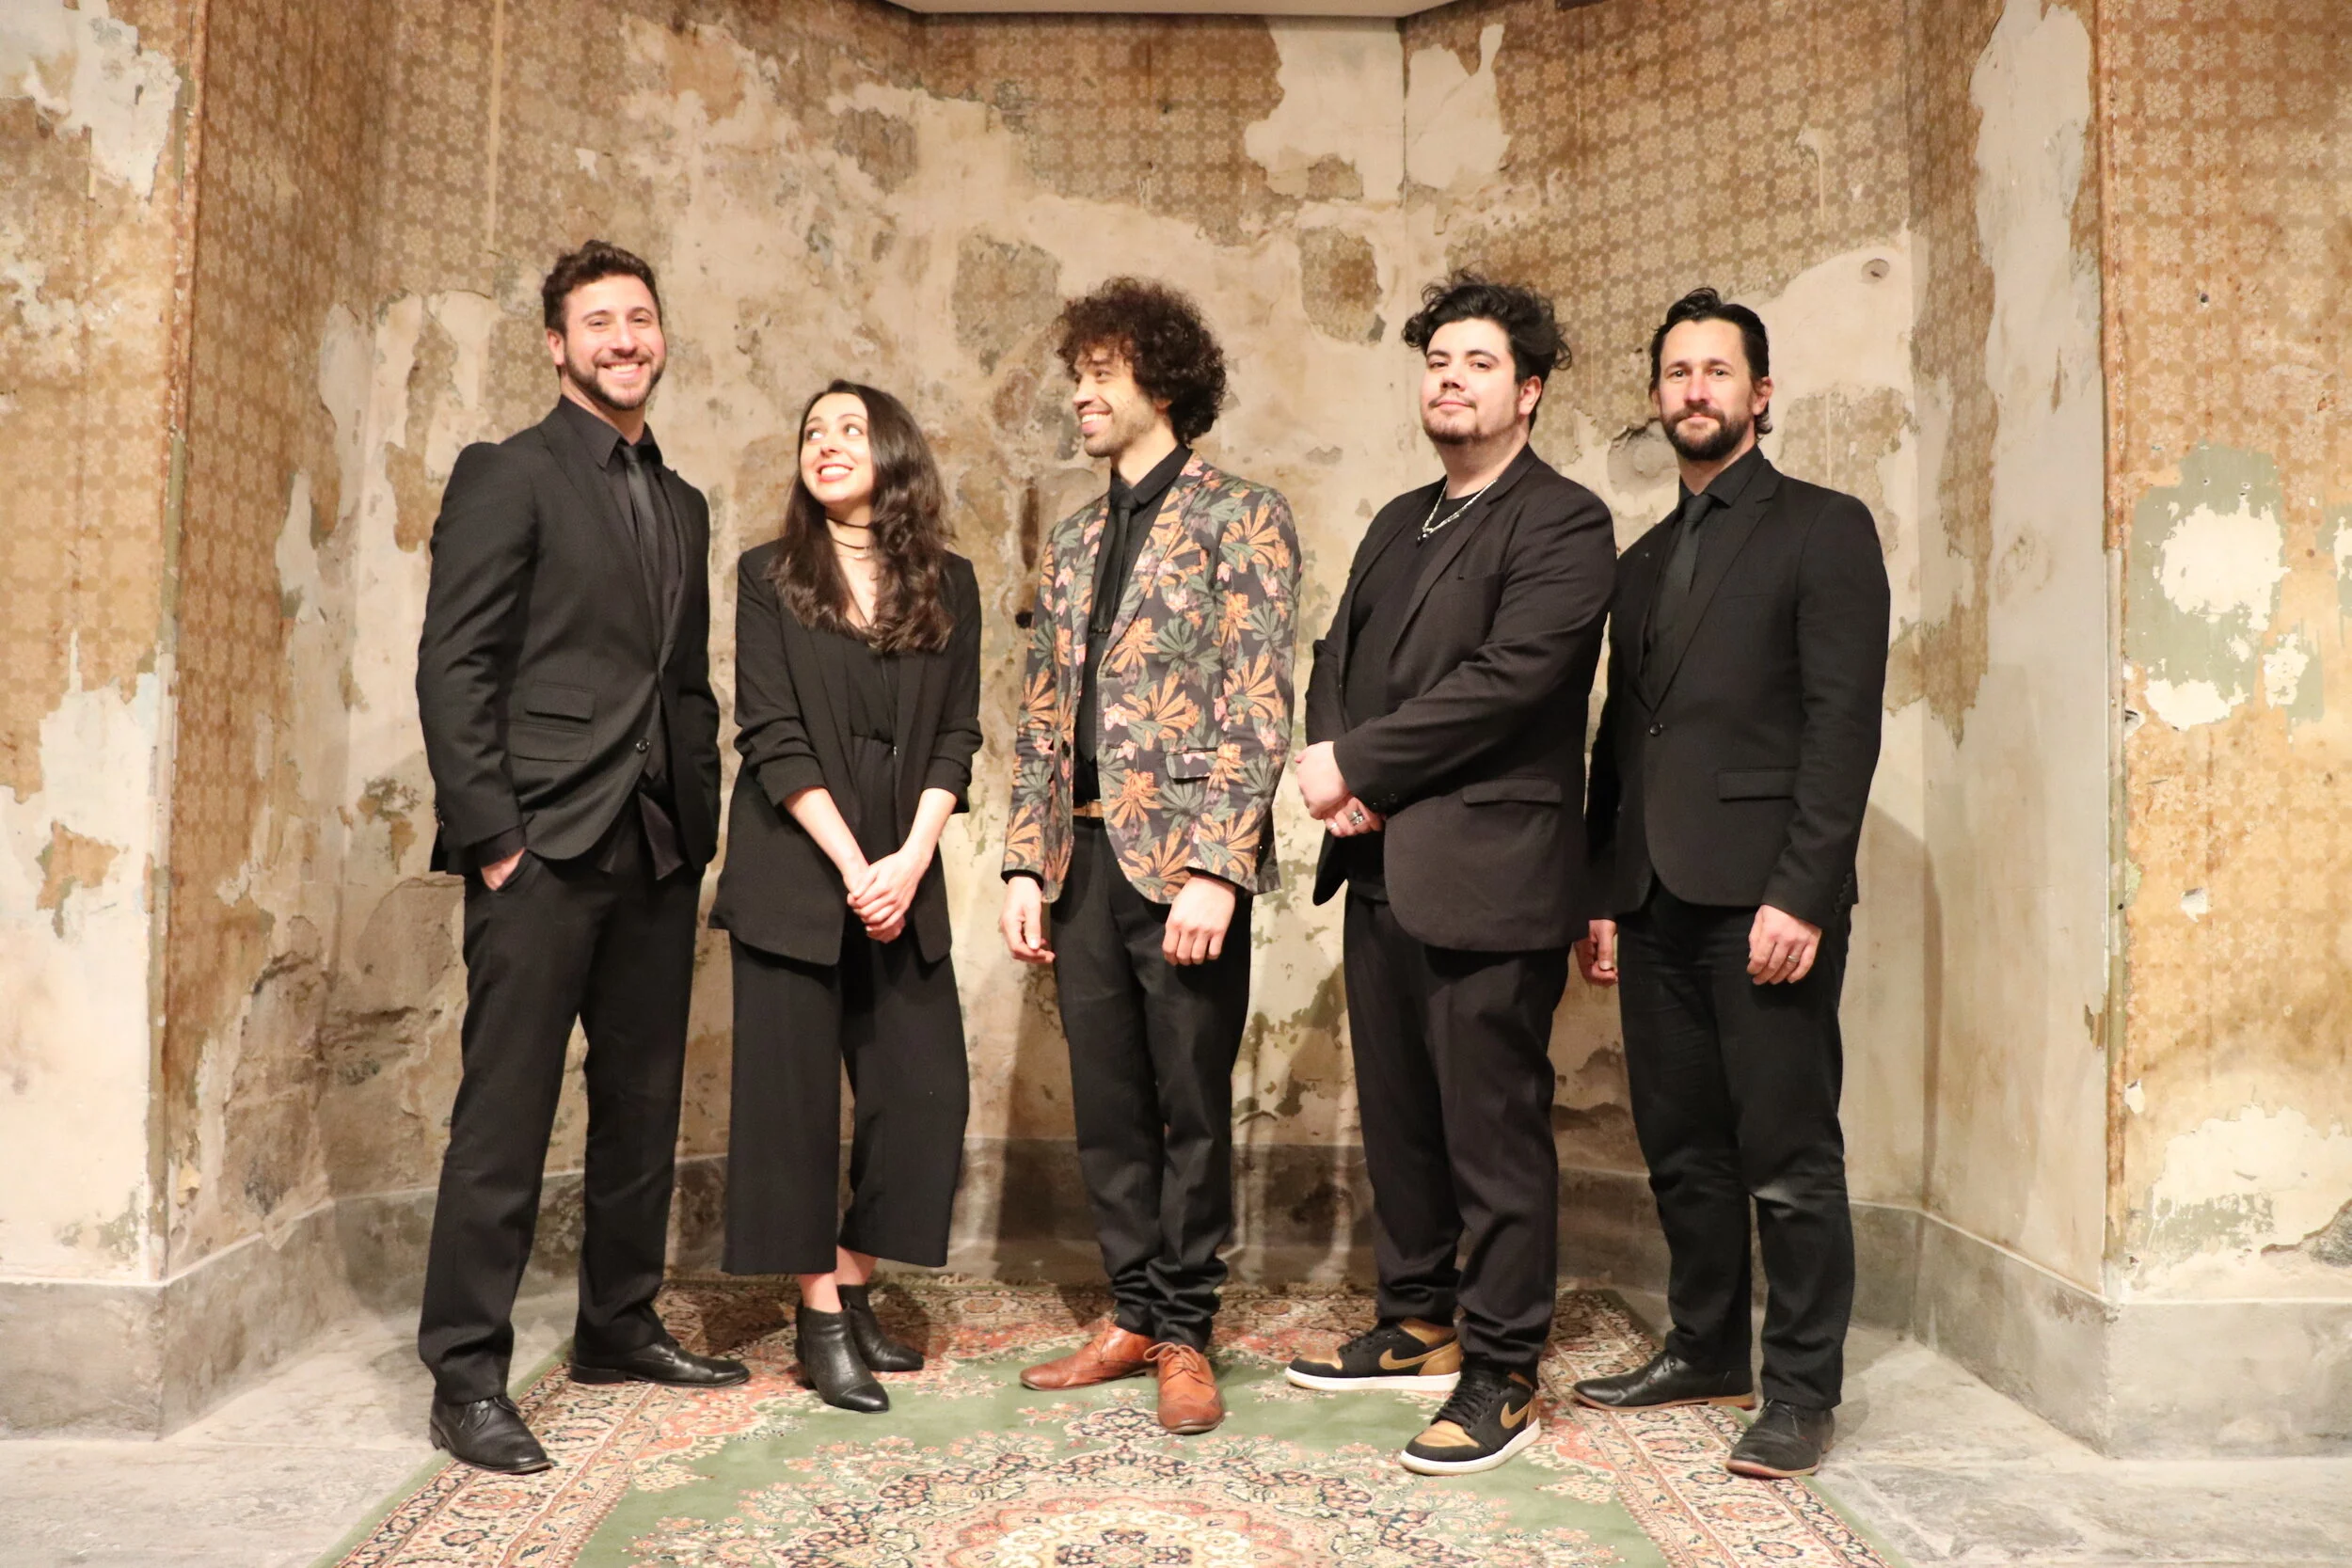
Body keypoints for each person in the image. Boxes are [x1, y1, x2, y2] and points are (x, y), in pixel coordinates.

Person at [414, 240, 746, 1476]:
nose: (624, 338)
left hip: (655, 848)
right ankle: (466, 1375)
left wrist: (697, 826)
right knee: (503, 1116)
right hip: (541, 846)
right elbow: (455, 663)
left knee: (642, 1106)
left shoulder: (682, 500)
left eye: (639, 317)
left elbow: (682, 683)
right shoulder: (508, 472)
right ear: (557, 345)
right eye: (598, 320)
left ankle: (618, 1322)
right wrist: (495, 838)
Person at [1284, 274, 1615, 1476]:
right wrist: (1339, 768)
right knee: (1402, 1118)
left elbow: (1510, 679)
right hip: (1378, 858)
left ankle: (1503, 1366)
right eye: (1437, 361)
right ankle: (1418, 1317)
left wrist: (1362, 761)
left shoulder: (1564, 520)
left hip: (1490, 871)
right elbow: (1336, 657)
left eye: (1478, 362)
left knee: (1492, 1131)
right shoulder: (1397, 518)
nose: (1450, 380)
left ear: (1528, 392)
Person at [1573, 288, 1890, 1481]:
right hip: (1654, 897)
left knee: (1788, 1159)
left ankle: (1800, 1390)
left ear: (1759, 393)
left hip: (1767, 897)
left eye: (1716, 370)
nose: (1693, 389)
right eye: (1676, 372)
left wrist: (1802, 892)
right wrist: (1605, 886)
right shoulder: (1641, 561)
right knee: (1682, 1148)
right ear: (1658, 397)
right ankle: (1706, 1349)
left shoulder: (1824, 527)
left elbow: (1841, 728)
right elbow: (1622, 738)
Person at [999, 277, 1298, 1436]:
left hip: (1182, 865)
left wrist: (1220, 866)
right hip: (1079, 862)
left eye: (1101, 373)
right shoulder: (1075, 538)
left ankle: (1185, 1329)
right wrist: (1023, 862)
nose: (1081, 393)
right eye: (1077, 374)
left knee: (1191, 1107)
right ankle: (1129, 1309)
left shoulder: (1241, 515)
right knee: (1109, 1107)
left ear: (1160, 384)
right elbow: (1041, 710)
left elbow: (1257, 702)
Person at [708, 382, 981, 1413]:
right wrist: (854, 860)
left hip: (904, 868)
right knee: (790, 1110)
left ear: (893, 451)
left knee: (924, 1096)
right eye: (812, 430)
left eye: (850, 428)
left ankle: (855, 1280)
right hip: (796, 864)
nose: (825, 442)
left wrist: (909, 858)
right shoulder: (767, 575)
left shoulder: (950, 582)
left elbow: (957, 734)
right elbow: (770, 733)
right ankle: (821, 1315)